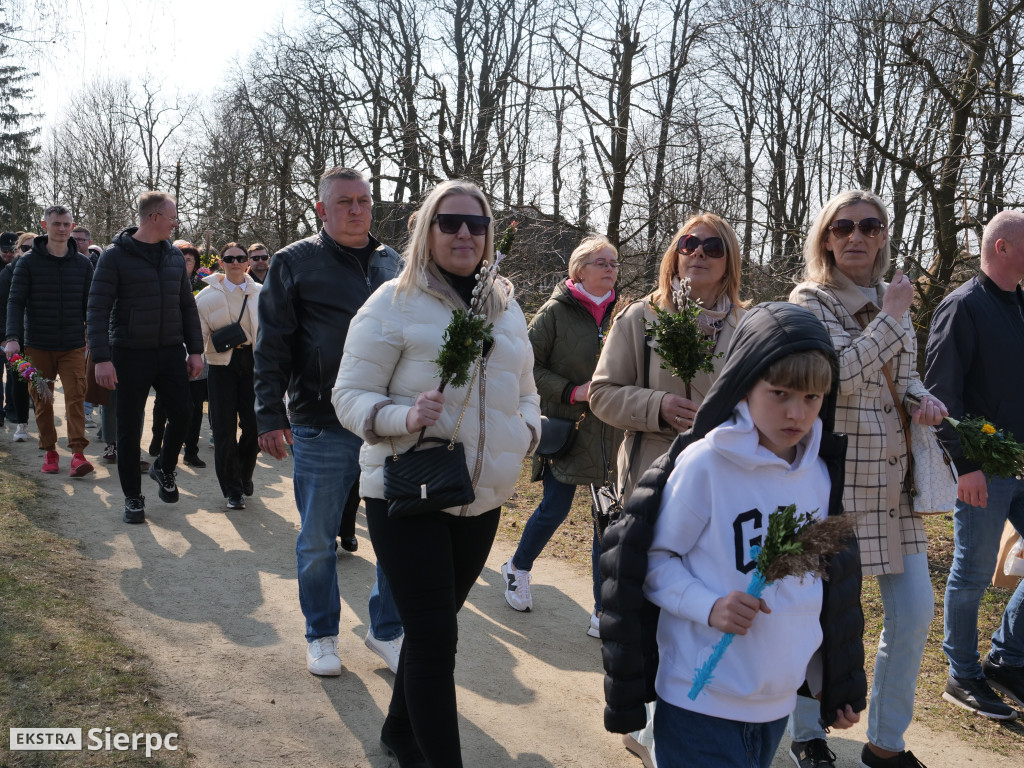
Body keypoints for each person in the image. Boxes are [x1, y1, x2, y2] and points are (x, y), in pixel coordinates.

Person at [332, 179, 541, 768]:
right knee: (432, 638)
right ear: (428, 231)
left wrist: (525, 431)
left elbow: (527, 391)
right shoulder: (392, 302)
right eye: (450, 222)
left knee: (436, 626)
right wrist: (400, 416)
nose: (465, 233)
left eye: (477, 223)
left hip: (481, 496)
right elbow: (348, 395)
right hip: (406, 489)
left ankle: (400, 734)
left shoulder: (506, 305)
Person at [630, 302, 866, 768]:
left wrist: (828, 678)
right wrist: (709, 605)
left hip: (775, 707)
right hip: (700, 700)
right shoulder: (706, 465)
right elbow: (653, 561)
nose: (796, 413)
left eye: (812, 397)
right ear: (744, 384)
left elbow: (815, 591)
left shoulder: (820, 475)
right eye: (779, 393)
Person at [788, 189, 947, 768]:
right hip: (833, 484)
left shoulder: (889, 298)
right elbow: (834, 377)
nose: (856, 236)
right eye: (843, 227)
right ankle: (808, 733)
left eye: (869, 226)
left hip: (895, 486)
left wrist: (925, 401)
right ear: (826, 239)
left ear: (882, 237)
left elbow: (905, 379)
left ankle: (885, 743)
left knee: (915, 613)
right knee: (822, 616)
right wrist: (892, 317)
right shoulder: (809, 302)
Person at [589, 213, 747, 766]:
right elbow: (602, 394)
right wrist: (658, 406)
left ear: (729, 259)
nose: (698, 253)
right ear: (674, 254)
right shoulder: (642, 317)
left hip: (725, 487)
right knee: (653, 604)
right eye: (688, 243)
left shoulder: (748, 327)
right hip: (653, 481)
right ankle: (652, 726)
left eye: (712, 246)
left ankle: (691, 718)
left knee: (702, 605)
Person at [255, 166, 404, 677]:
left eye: (364, 200)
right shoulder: (293, 262)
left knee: (395, 537)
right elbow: (271, 345)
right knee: (318, 539)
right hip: (321, 420)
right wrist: (269, 415)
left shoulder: (394, 264)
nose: (357, 209)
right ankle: (321, 634)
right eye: (345, 201)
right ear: (321, 209)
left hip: (388, 421)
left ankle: (386, 631)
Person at [925, 209, 1024, 720]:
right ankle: (962, 674)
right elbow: (941, 395)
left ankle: (1007, 660)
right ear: (1002, 247)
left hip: (1022, 464)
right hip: (982, 469)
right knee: (973, 573)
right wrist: (964, 465)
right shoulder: (962, 306)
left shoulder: (1020, 305)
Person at [500, 235, 623, 636]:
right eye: (602, 262)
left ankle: (602, 609)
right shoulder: (554, 312)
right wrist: (572, 391)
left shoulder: (626, 313)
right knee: (555, 508)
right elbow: (526, 368)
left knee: (606, 520)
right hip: (567, 429)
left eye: (614, 263)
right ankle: (517, 567)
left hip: (611, 434)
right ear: (579, 270)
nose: (611, 269)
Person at [87, 191, 204, 524]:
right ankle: (133, 497)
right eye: (172, 218)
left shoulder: (173, 256)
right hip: (128, 353)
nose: (175, 223)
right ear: (154, 217)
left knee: (184, 413)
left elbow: (187, 306)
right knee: (128, 426)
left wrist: (195, 350)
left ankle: (164, 467)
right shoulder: (114, 256)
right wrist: (102, 358)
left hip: (170, 351)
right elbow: (97, 309)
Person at [3, 206, 95, 477]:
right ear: (45, 225)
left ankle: (77, 454)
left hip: (73, 344)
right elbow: (15, 302)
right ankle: (50, 451)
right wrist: (12, 338)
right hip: (37, 343)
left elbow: (90, 305)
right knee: (42, 399)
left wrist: (94, 334)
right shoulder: (27, 262)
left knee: (76, 397)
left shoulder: (83, 264)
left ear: (72, 226)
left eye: (66, 224)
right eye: (56, 224)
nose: (62, 229)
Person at [196, 242, 261, 509]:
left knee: (254, 426)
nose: (235, 262)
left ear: (247, 262)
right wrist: (194, 359)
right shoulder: (205, 296)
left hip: (254, 364)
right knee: (223, 429)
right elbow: (198, 335)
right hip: (221, 365)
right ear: (220, 262)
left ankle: (244, 474)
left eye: (240, 258)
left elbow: (273, 333)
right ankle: (233, 490)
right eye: (229, 258)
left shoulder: (262, 294)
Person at [149, 241, 209, 468]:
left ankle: (191, 450)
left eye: (189, 261)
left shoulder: (204, 287)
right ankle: (158, 438)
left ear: (196, 265)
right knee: (163, 401)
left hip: (196, 347)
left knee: (194, 403)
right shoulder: (163, 281)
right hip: (170, 347)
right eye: (181, 260)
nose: (184, 264)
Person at [71, 226, 97, 429]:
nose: (76, 243)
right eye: (73, 239)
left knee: (89, 372)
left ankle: (86, 411)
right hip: (73, 325)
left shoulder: (99, 263)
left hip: (93, 325)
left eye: (80, 239)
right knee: (77, 373)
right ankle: (81, 411)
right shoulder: (67, 262)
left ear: (89, 242)